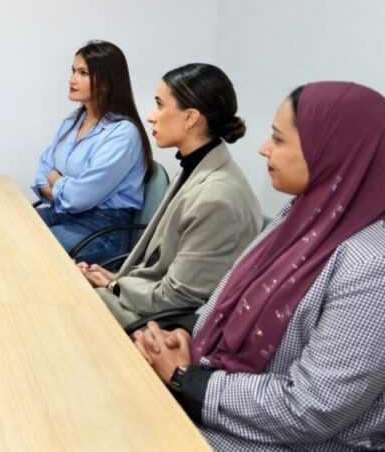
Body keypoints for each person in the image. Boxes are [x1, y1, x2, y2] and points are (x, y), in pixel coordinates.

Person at [133, 82, 385, 450]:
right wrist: (186, 338)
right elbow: (225, 301)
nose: (264, 148)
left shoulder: (372, 267)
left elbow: (310, 409)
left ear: (333, 153)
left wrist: (185, 378)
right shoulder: (299, 216)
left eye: (279, 140)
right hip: (220, 401)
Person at [79, 63, 262, 327]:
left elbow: (176, 298)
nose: (151, 116)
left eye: (159, 105)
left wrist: (114, 286)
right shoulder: (195, 167)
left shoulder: (217, 197)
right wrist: (116, 279)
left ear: (190, 118)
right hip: (149, 299)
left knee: (74, 303)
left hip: (165, 323)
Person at [34, 40, 150, 263]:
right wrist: (63, 189)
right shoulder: (73, 121)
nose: (72, 79)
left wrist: (56, 182)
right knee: (7, 228)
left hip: (100, 230)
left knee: (30, 249)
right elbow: (44, 170)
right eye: (73, 71)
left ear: (106, 82)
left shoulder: (123, 134)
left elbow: (79, 198)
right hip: (61, 213)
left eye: (83, 73)